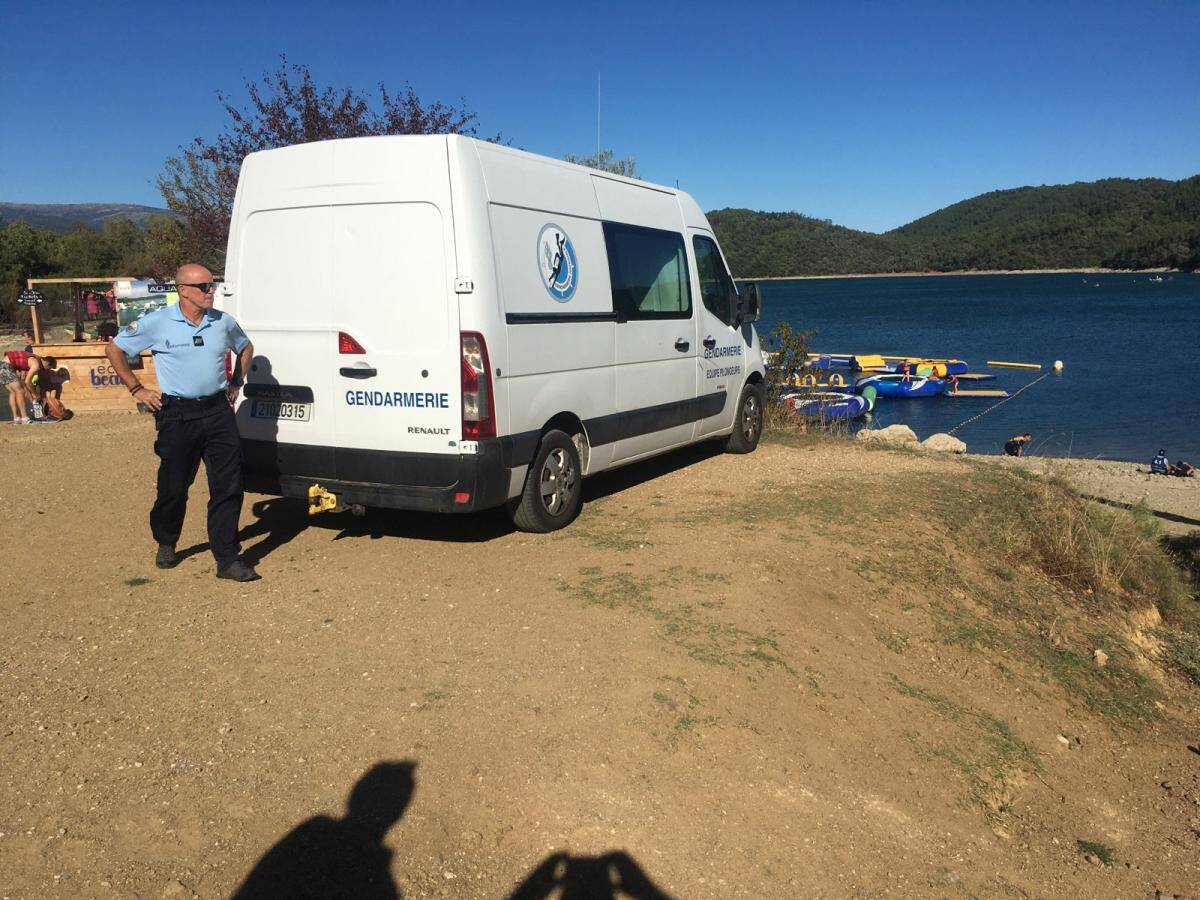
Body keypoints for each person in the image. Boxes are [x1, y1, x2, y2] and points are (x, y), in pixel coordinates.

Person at [105, 264, 259, 582]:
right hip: (178, 415)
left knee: (228, 486)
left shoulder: (222, 322)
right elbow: (114, 349)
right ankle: (167, 540)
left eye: (212, 285)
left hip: (218, 412)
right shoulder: (157, 322)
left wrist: (237, 381)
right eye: (204, 286)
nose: (211, 291)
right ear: (183, 291)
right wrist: (137, 389)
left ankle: (227, 558)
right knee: (173, 488)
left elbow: (245, 347)